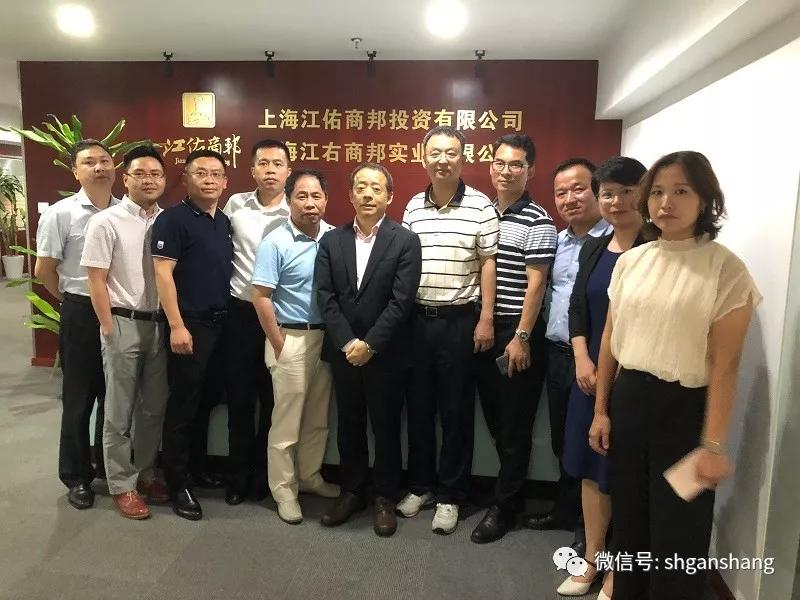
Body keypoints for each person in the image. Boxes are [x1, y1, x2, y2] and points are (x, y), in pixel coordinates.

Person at [589, 151, 761, 599]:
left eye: (681, 191)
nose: (666, 202)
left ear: (705, 200)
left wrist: (713, 444)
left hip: (684, 411)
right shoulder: (632, 262)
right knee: (629, 519)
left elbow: (726, 364)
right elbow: (609, 338)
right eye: (658, 192)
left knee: (680, 531)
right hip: (629, 400)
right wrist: (601, 410)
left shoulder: (725, 268)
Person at [399, 126, 499, 535]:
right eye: (436, 153)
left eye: (451, 153)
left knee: (456, 412)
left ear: (463, 158)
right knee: (419, 408)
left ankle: (451, 495)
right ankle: (420, 486)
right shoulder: (412, 206)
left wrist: (486, 317)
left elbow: (488, 262)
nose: (443, 160)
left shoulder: (481, 206)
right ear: (423, 157)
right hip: (417, 321)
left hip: (460, 321)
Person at [315, 162, 422, 537]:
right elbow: (325, 297)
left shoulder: (405, 240)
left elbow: (401, 301)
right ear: (350, 195)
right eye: (360, 187)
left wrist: (371, 344)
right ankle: (352, 492)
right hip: (344, 352)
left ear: (389, 196)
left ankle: (384, 497)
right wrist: (349, 342)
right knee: (349, 425)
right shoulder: (332, 240)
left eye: (376, 188)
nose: (368, 194)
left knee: (386, 426)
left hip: (386, 353)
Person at [556, 156, 647, 597]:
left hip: (634, 382)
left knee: (624, 474)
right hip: (588, 377)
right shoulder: (596, 247)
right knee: (591, 472)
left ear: (644, 194)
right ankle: (593, 559)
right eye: (608, 193)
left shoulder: (657, 248)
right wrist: (581, 358)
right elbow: (578, 308)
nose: (617, 201)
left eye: (627, 191)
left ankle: (618, 571)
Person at [523, 158, 610, 553]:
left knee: (594, 441)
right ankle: (565, 509)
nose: (570, 198)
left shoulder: (616, 241)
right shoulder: (556, 242)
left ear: (597, 190)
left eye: (579, 189)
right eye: (561, 192)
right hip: (558, 354)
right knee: (564, 439)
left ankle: (588, 529)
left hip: (597, 359)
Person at [473, 134, 556, 543]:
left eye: (516, 164)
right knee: (494, 417)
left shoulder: (539, 220)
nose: (506, 171)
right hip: (483, 327)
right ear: (491, 167)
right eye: (500, 163)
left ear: (530, 170)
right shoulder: (483, 213)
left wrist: (521, 336)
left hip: (516, 331)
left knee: (513, 425)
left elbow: (536, 285)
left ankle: (504, 508)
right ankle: (510, 494)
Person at [80, 144, 170, 520]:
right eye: (141, 174)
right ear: (127, 178)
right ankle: (121, 484)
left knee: (153, 408)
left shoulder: (168, 221)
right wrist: (108, 326)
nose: (149, 180)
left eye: (155, 174)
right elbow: (95, 280)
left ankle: (146, 473)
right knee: (119, 411)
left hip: (160, 325)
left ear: (164, 180)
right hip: (122, 322)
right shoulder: (107, 221)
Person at [35, 139, 119, 509]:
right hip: (81, 312)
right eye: (89, 162)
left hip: (120, 312)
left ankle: (104, 466)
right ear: (75, 171)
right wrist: (72, 301)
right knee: (79, 397)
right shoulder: (61, 214)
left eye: (105, 160)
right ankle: (76, 476)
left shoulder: (125, 211)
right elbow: (44, 270)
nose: (99, 167)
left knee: (114, 397)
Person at [252, 168, 338, 525]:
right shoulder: (275, 241)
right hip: (290, 337)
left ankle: (309, 477)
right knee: (286, 422)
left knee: (317, 417)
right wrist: (278, 343)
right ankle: (284, 490)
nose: (310, 203)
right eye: (301, 196)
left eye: (316, 196)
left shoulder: (335, 238)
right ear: (288, 201)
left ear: (326, 200)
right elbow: (261, 296)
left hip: (327, 339)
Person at [151, 149, 233, 521]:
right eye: (201, 173)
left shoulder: (223, 221)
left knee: (205, 402)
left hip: (220, 325)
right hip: (190, 325)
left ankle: (197, 469)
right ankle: (176, 482)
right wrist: (177, 325)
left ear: (225, 182)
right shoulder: (172, 220)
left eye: (216, 173)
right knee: (183, 406)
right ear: (186, 179)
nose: (209, 179)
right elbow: (163, 274)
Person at [221, 139, 291, 504]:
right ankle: (237, 477)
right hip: (241, 315)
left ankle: (265, 476)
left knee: (273, 400)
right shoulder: (236, 205)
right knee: (240, 398)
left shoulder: (297, 209)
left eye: (277, 164)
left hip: (281, 316)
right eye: (263, 163)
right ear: (252, 170)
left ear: (288, 170)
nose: (270, 170)